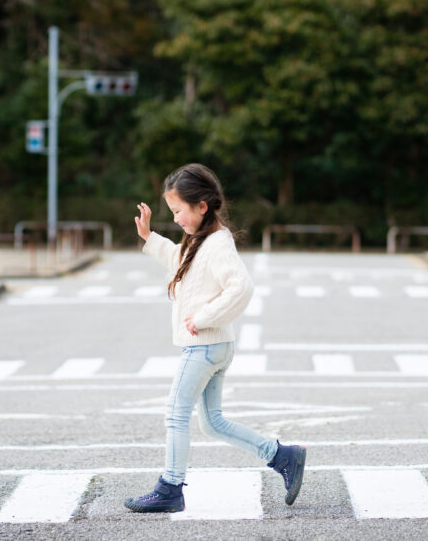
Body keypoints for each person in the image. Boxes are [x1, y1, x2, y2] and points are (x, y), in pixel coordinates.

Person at [124, 163, 306, 514]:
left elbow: (242, 288)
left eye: (178, 210)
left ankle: (170, 488)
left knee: (177, 413)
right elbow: (181, 260)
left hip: (205, 344)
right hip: (215, 346)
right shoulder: (200, 240)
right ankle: (283, 456)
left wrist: (203, 317)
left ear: (202, 206)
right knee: (213, 422)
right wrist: (149, 237)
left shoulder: (218, 243)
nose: (175, 218)